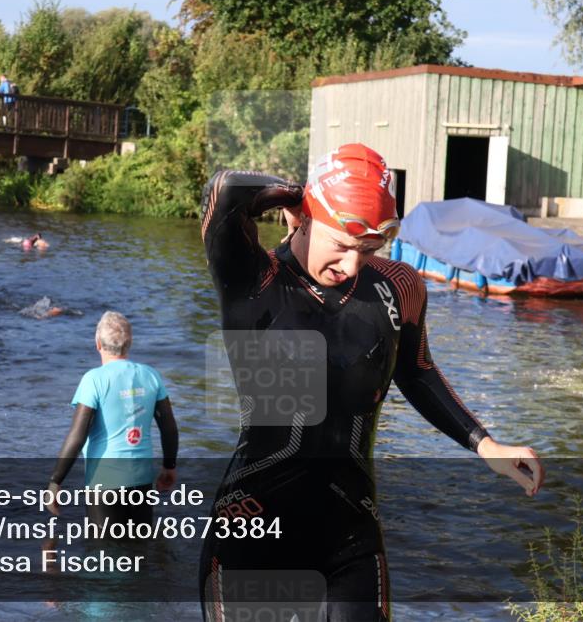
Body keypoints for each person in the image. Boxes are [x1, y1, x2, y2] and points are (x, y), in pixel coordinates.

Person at [198, 143, 545, 620]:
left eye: (368, 249)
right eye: (340, 244)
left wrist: (486, 445)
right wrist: (299, 196)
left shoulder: (398, 286)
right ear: (302, 218)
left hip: (351, 530)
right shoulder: (254, 279)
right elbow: (225, 191)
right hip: (254, 523)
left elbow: (417, 371)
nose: (352, 264)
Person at [44, 311, 179, 525]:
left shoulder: (93, 380)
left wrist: (55, 482)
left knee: (103, 551)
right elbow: (169, 428)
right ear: (130, 342)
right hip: (142, 479)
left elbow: (77, 436)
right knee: (140, 546)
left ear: (98, 343)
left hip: (104, 483)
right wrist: (169, 466)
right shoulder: (151, 375)